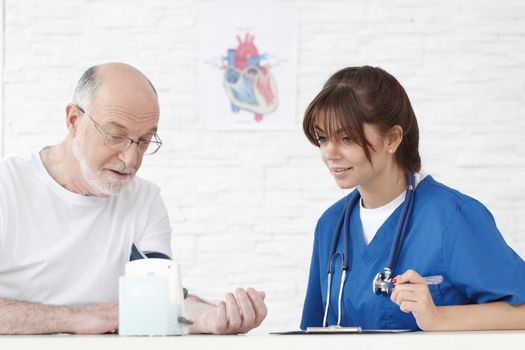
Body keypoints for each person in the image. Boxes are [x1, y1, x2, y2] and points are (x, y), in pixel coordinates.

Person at [0, 63, 267, 335]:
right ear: (73, 121)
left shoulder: (145, 200)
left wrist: (209, 318)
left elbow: (162, 298)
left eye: (144, 140)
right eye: (116, 136)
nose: (131, 159)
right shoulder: (7, 186)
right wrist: (75, 319)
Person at [300, 66, 525, 331]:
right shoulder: (331, 225)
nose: (330, 153)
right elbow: (312, 332)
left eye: (347, 138)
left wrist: (439, 318)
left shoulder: (451, 217)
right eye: (323, 138)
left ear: (392, 138)